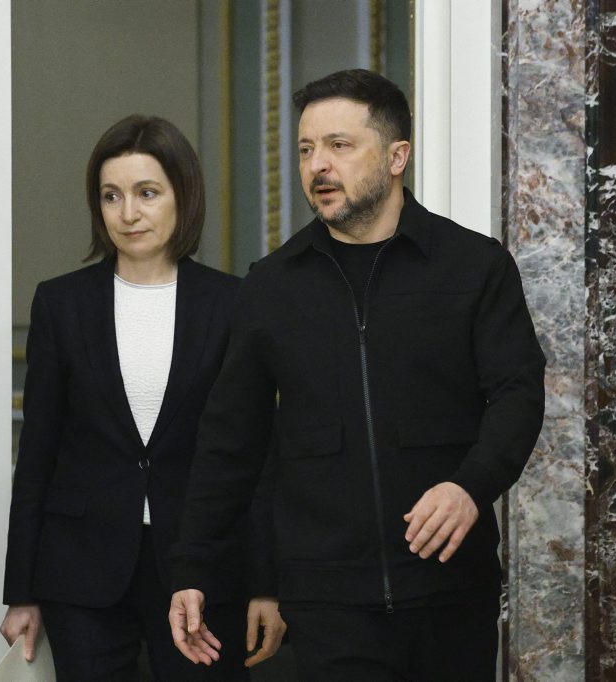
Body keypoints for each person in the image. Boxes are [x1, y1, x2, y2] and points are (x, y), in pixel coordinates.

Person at [169, 69, 546, 681]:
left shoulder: (474, 266)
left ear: (397, 156)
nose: (318, 165)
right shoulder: (271, 287)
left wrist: (469, 487)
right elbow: (229, 442)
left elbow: (517, 393)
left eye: (339, 145)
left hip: (450, 589)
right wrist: (193, 570)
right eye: (306, 149)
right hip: (327, 600)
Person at [0, 114, 285, 681]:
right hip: (81, 569)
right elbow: (38, 454)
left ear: (183, 196)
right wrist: (21, 592)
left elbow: (256, 457)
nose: (127, 213)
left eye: (147, 193)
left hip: (203, 566)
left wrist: (267, 585)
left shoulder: (234, 304)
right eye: (111, 196)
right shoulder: (61, 304)